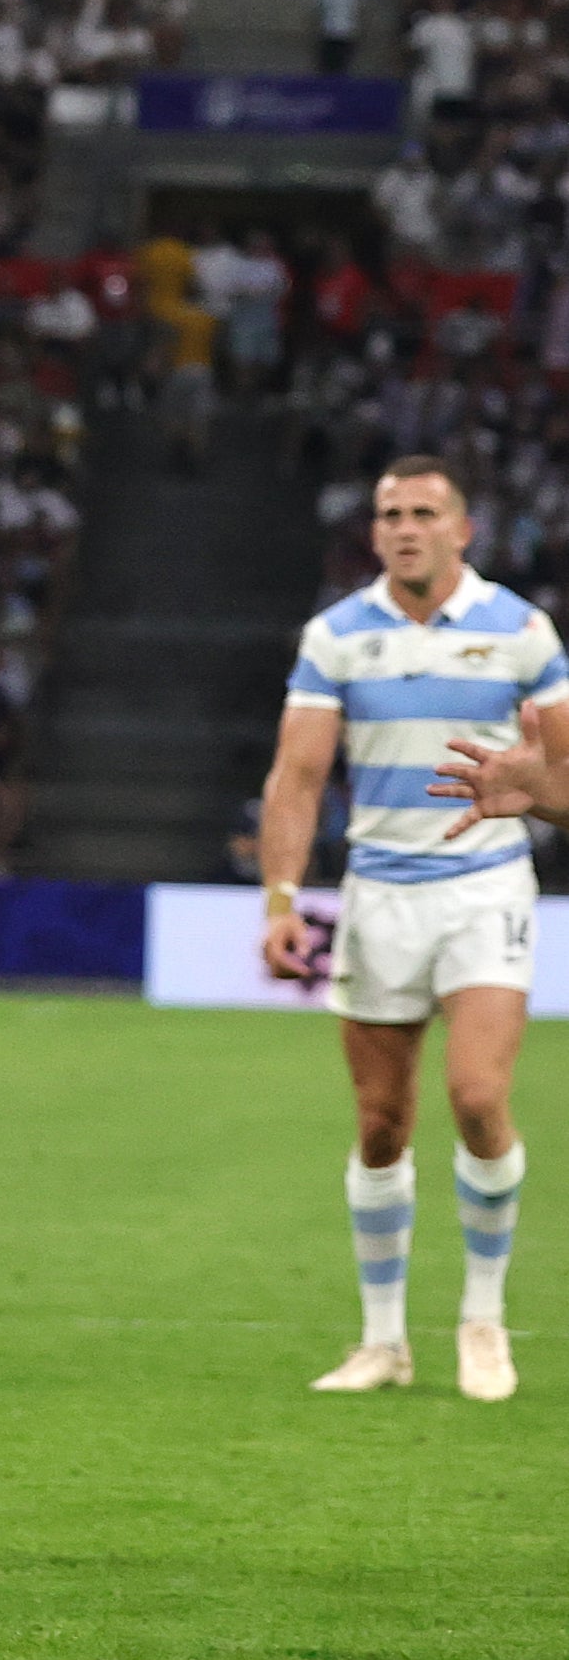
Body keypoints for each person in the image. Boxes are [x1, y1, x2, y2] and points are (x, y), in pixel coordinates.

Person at [258, 455, 558, 1404]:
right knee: (381, 1126)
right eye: (389, 512)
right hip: (379, 895)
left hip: (483, 887)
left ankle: (481, 1317)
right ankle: (384, 1341)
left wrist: (536, 791)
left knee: (475, 1096)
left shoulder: (520, 631)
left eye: (424, 511)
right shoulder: (336, 636)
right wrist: (278, 898)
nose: (403, 527)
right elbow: (297, 777)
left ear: (461, 530)